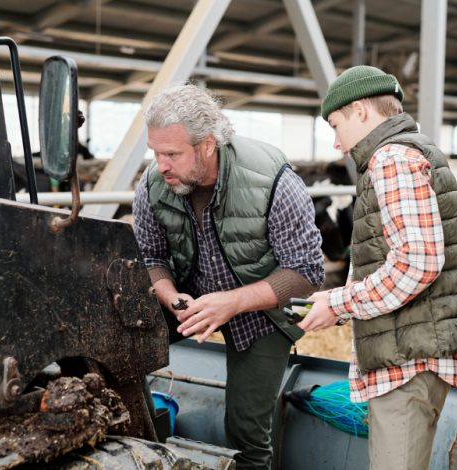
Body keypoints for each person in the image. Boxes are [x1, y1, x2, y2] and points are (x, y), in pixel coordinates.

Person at [299, 65, 457, 470]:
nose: (337, 143)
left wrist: (339, 302)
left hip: (411, 360)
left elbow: (417, 264)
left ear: (360, 111)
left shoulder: (391, 159)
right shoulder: (410, 150)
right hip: (416, 346)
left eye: (336, 125)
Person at [132, 83, 325, 469]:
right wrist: (170, 297)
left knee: (245, 428)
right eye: (156, 152)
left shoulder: (273, 181)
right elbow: (149, 256)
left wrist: (232, 302)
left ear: (207, 145)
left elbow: (306, 272)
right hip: (189, 299)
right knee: (120, 356)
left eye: (172, 153)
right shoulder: (154, 184)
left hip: (260, 310)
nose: (161, 164)